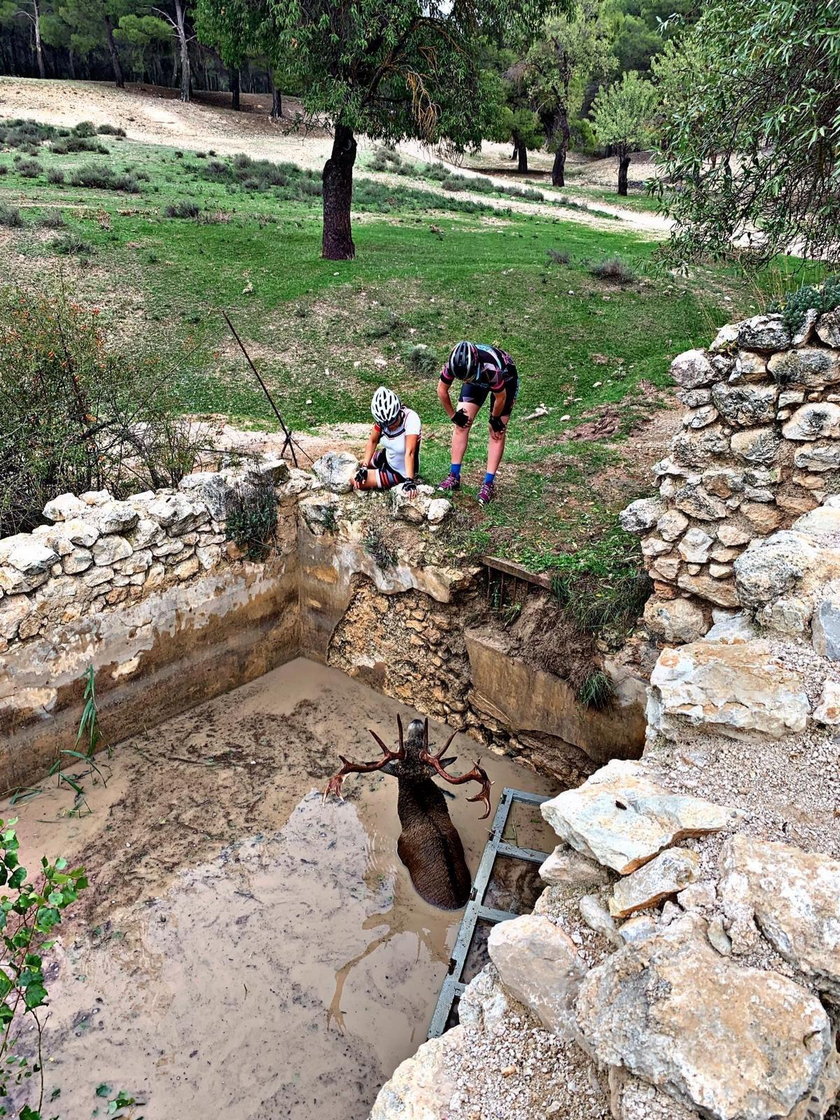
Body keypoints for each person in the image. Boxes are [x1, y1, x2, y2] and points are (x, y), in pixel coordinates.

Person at [436, 341, 519, 505]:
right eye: (463, 378)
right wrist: (453, 415)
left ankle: (488, 484)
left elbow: (501, 398)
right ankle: (454, 476)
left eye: (467, 377)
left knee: (497, 432)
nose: (465, 379)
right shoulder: (453, 364)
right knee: (461, 424)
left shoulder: (491, 368)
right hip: (476, 382)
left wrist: (494, 419)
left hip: (505, 379)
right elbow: (441, 390)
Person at [354, 386, 421, 494]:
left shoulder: (411, 419)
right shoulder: (382, 421)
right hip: (387, 456)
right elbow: (372, 441)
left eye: (393, 422)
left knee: (354, 480)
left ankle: (383, 473)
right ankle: (373, 467)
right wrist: (365, 467)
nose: (390, 427)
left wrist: (409, 480)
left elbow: (410, 452)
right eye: (386, 424)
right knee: (360, 465)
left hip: (400, 471)